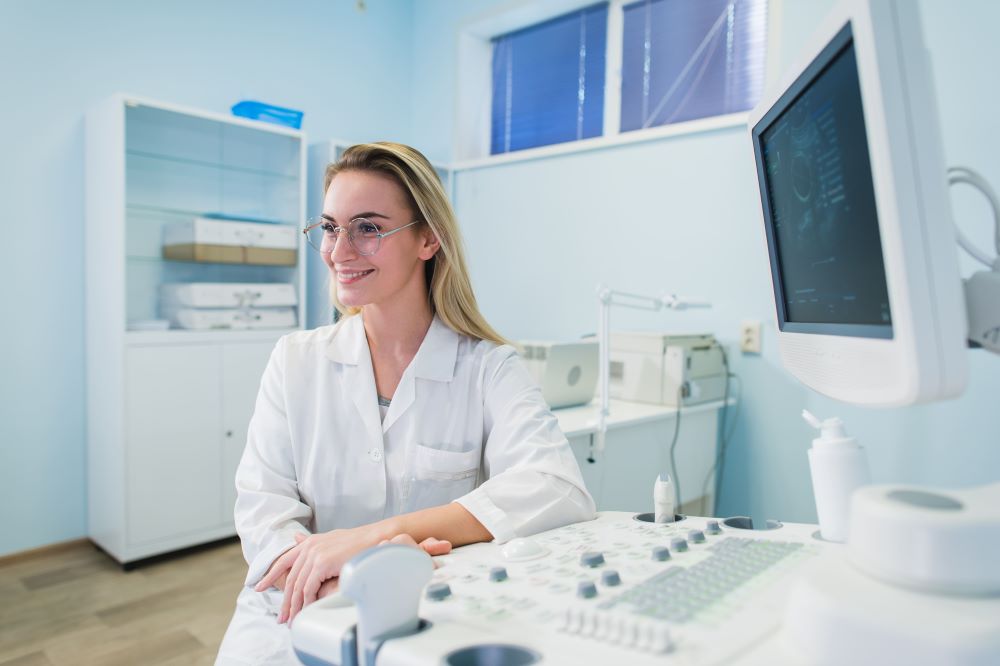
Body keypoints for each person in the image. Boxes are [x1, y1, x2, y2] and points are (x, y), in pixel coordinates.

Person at [216, 142, 595, 664]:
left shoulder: (489, 367)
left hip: (433, 610)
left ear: (428, 239)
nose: (338, 251)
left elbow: (556, 488)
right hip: (295, 609)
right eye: (329, 227)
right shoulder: (295, 360)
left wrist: (379, 536)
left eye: (367, 228)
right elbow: (264, 512)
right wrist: (348, 581)